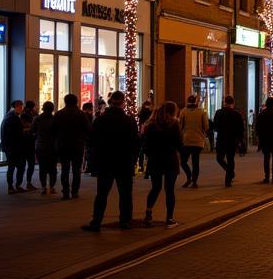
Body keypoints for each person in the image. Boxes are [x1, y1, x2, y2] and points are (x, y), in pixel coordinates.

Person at [82, 91, 139, 231]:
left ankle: (96, 221)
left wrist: (94, 161)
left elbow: (92, 141)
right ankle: (125, 221)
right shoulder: (129, 121)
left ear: (110, 102)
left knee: (102, 194)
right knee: (125, 194)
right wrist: (133, 161)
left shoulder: (100, 120)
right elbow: (135, 144)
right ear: (123, 103)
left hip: (105, 162)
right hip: (124, 162)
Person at [143, 102, 182, 228]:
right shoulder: (174, 124)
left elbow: (145, 145)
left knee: (155, 188)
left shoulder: (150, 125)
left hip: (155, 160)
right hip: (170, 159)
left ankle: (148, 212)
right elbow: (179, 143)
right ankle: (169, 218)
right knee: (169, 190)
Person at [53, 94, 92, 199]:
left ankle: (65, 191)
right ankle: (75, 191)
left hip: (63, 144)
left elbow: (53, 130)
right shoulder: (81, 114)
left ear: (65, 102)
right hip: (77, 145)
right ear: (77, 102)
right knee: (76, 169)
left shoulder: (59, 114)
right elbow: (88, 130)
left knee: (65, 169)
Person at [213, 95, 246, 187]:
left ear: (224, 102)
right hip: (232, 140)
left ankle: (230, 172)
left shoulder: (218, 113)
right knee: (230, 159)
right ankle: (228, 179)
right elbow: (241, 130)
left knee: (219, 158)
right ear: (233, 103)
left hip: (221, 139)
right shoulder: (237, 114)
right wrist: (241, 142)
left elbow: (215, 126)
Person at [178, 95, 209, 187]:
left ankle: (189, 177)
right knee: (195, 162)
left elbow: (180, 126)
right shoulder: (202, 112)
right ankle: (194, 182)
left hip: (186, 140)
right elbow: (206, 127)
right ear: (196, 102)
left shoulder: (183, 111)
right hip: (198, 140)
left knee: (183, 162)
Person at [31, 101, 58, 194]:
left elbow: (32, 130)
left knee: (42, 167)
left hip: (40, 146)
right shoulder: (55, 119)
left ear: (43, 108)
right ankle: (52, 186)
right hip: (53, 146)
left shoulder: (37, 119)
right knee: (52, 168)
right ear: (52, 109)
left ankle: (43, 187)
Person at [0, 100, 25, 193]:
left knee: (11, 167)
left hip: (8, 147)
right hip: (14, 147)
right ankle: (16, 186)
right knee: (20, 166)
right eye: (21, 107)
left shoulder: (7, 116)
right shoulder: (14, 117)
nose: (22, 109)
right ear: (18, 106)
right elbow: (17, 134)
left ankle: (11, 187)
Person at [20, 101, 38, 191]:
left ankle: (24, 183)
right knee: (28, 164)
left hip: (26, 145)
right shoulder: (27, 115)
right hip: (27, 145)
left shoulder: (27, 114)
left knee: (26, 165)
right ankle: (27, 183)